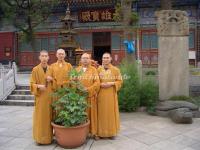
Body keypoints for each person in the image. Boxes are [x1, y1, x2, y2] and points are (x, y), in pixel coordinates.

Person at [97, 52, 123, 139]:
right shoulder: (98, 70)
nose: (105, 59)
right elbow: (95, 81)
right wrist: (100, 84)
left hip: (111, 95)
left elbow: (120, 81)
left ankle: (112, 133)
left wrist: (111, 83)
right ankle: (100, 133)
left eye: (107, 58)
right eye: (104, 58)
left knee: (111, 113)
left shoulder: (116, 70)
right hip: (100, 95)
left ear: (111, 59)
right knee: (100, 113)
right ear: (102, 59)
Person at [30, 50, 53, 144]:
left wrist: (51, 79)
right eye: (42, 56)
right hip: (40, 98)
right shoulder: (35, 69)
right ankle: (39, 139)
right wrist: (38, 86)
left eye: (46, 56)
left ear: (48, 58)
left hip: (49, 98)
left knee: (48, 118)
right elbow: (32, 84)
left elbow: (55, 82)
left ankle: (48, 138)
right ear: (39, 57)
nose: (44, 58)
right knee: (40, 119)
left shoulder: (51, 69)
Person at [76, 53, 100, 139]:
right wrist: (78, 87)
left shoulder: (93, 70)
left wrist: (88, 89)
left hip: (90, 96)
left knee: (92, 115)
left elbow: (97, 83)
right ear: (81, 60)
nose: (85, 60)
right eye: (83, 58)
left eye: (87, 58)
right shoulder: (77, 70)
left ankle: (93, 132)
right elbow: (73, 82)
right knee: (81, 114)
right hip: (80, 97)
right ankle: (82, 133)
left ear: (90, 60)